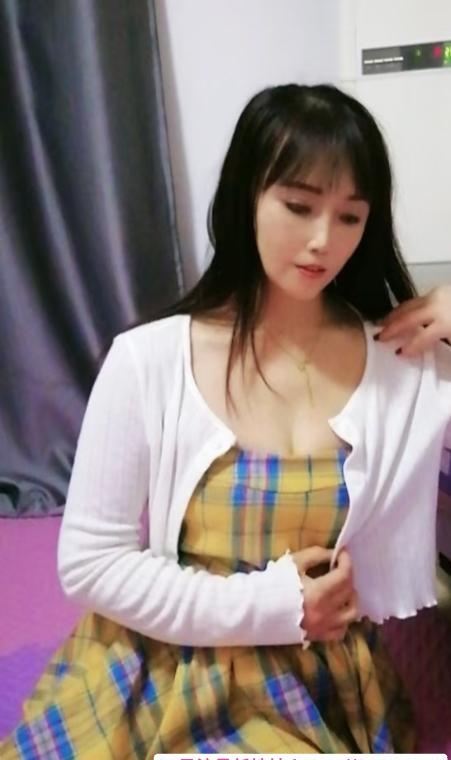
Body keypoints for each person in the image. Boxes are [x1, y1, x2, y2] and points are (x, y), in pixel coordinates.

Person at [3, 82, 451, 758]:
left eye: (350, 216)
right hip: (172, 659)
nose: (323, 240)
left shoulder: (400, 360)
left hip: (321, 676)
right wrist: (272, 607)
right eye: (298, 206)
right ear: (247, 196)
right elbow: (91, 563)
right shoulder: (150, 360)